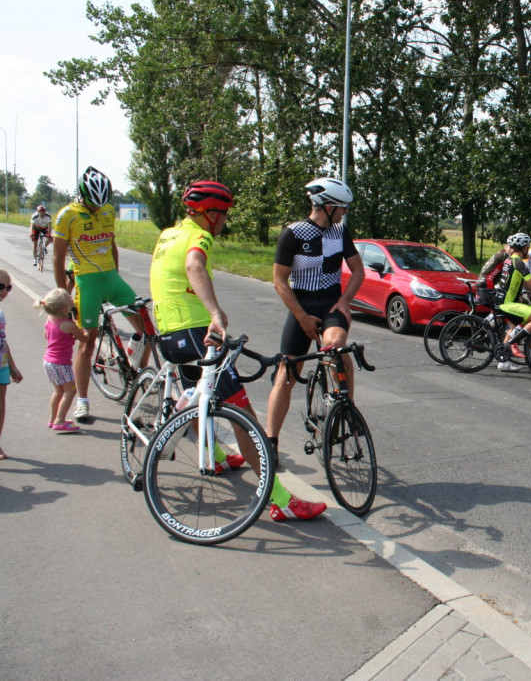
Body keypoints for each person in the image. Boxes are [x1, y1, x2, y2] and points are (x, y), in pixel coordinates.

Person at [150, 180, 326, 522]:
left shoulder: (168, 234)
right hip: (198, 330)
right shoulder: (200, 236)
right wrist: (215, 313)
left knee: (202, 397)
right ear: (210, 214)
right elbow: (194, 267)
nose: (225, 221)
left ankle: (213, 451)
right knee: (244, 417)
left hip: (170, 331)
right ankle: (280, 500)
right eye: (225, 214)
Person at [265, 177, 364, 451]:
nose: (345, 212)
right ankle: (270, 442)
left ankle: (346, 406)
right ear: (327, 206)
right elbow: (279, 281)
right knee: (286, 373)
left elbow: (358, 271)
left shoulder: (340, 232)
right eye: (342, 207)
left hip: (331, 304)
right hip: (302, 305)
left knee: (336, 347)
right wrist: (301, 316)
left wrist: (344, 301)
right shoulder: (293, 233)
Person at [52, 166, 147, 421]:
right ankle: (82, 401)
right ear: (82, 196)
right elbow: (58, 257)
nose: (97, 209)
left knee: (147, 327)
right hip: (87, 282)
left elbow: (112, 244)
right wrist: (63, 296)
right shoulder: (66, 215)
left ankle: (137, 370)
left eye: (101, 204)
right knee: (87, 342)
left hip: (112, 279)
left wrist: (116, 274)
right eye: (93, 204)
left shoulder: (106, 210)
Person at [35, 288, 86, 432]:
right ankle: (60, 420)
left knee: (58, 391)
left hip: (48, 361)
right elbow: (84, 338)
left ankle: (52, 419)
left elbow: (47, 335)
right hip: (61, 363)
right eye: (70, 299)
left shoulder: (50, 319)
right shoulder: (69, 325)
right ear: (64, 307)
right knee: (70, 391)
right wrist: (86, 330)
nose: (72, 299)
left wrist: (65, 338)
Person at [491, 233, 531, 372]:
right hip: (507, 304)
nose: (528, 249)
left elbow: (526, 284)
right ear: (524, 247)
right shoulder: (519, 262)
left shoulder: (510, 260)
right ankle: (514, 341)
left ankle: (504, 360)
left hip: (501, 300)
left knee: (515, 324)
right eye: (527, 246)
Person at [0, 270, 25, 459]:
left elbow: (3, 341)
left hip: (1, 366)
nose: (4, 291)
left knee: (0, 405)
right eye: (1, 286)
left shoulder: (1, 314)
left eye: (8, 287)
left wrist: (12, 366)